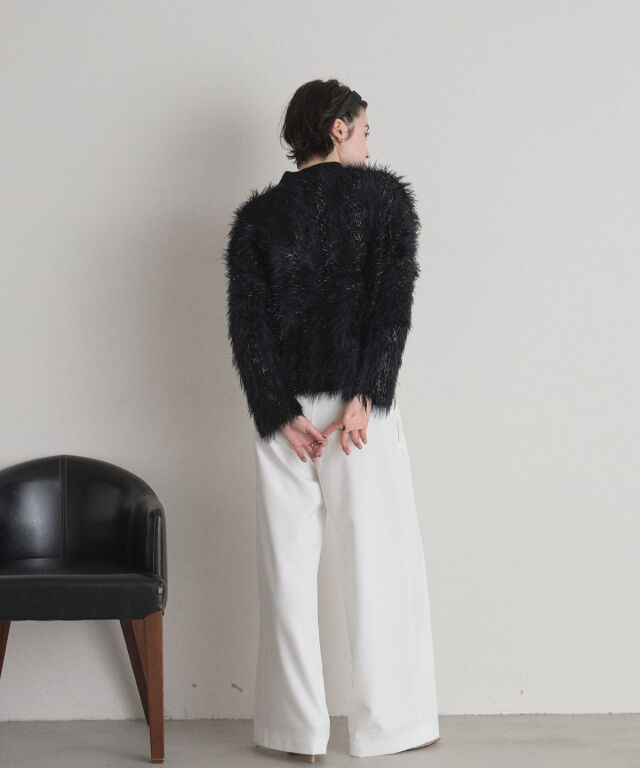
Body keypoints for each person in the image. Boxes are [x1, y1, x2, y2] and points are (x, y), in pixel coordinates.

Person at [223, 79, 440, 760]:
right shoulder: (385, 202)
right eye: (365, 130)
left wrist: (278, 412)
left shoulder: (258, 220)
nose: (369, 147)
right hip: (355, 415)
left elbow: (248, 328)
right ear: (338, 128)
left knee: (286, 575)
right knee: (378, 565)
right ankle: (392, 726)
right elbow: (392, 306)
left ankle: (297, 733)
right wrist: (367, 393)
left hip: (287, 419)